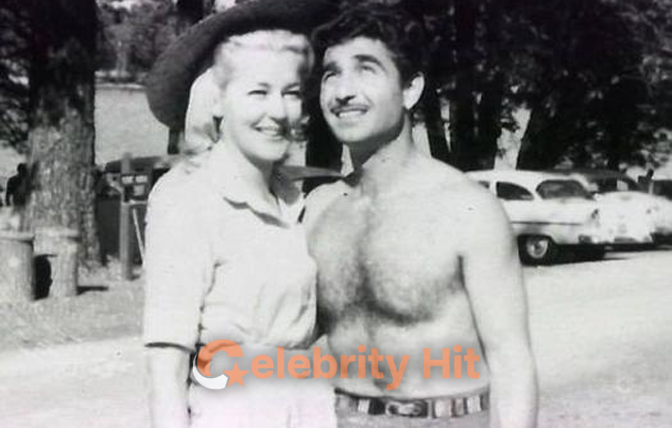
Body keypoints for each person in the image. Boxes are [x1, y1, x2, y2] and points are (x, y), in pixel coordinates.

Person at [303, 4, 538, 428]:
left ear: (410, 90)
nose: (343, 91)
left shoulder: (467, 209)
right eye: (331, 74)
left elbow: (511, 361)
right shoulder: (319, 208)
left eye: (366, 69)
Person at [142, 1, 338, 427]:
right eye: (258, 92)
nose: (279, 112)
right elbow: (166, 368)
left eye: (290, 93)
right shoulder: (188, 196)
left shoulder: (291, 199)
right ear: (216, 100)